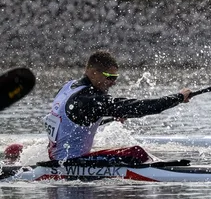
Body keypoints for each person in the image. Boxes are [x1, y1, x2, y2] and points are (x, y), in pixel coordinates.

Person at [45, 50, 191, 163]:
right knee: (136, 153)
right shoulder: (90, 100)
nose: (113, 82)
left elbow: (71, 121)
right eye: (109, 77)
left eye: (115, 78)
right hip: (69, 164)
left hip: (57, 157)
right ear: (94, 73)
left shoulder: (69, 87)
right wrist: (177, 97)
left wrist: (108, 113)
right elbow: (139, 107)